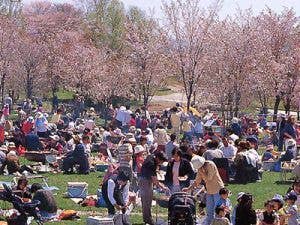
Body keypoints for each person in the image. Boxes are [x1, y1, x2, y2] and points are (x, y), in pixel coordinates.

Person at [183, 160, 224, 225]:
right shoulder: (200, 169)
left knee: (218, 209)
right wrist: (188, 188)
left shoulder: (210, 165)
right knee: (209, 210)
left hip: (218, 189)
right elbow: (197, 181)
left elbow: (209, 178)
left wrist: (202, 172)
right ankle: (210, 223)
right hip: (209, 191)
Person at [139, 151, 169, 225]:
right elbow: (155, 180)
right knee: (146, 201)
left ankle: (147, 219)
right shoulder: (151, 163)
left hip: (146, 180)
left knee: (148, 200)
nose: (161, 163)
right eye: (161, 161)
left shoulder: (151, 157)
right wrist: (163, 187)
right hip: (145, 181)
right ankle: (148, 220)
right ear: (158, 158)